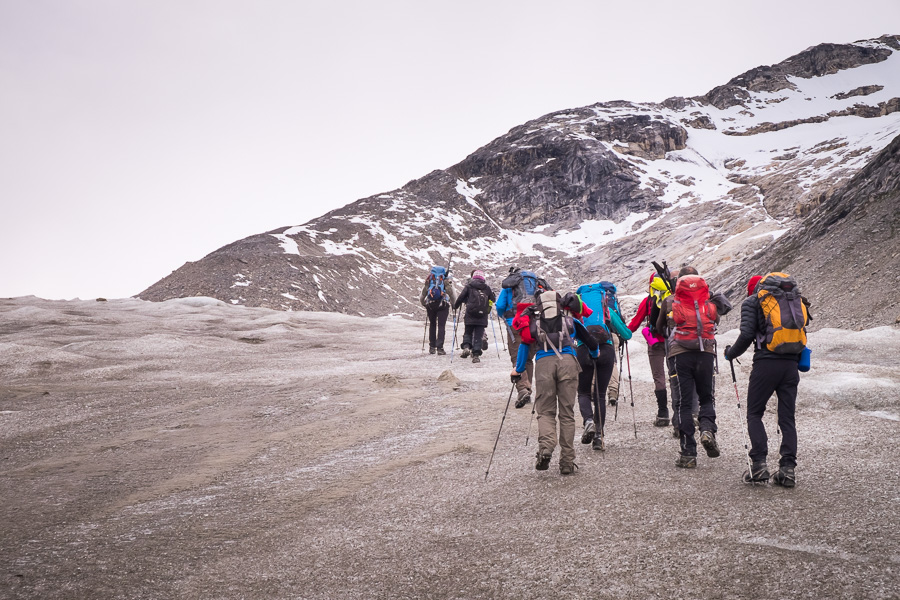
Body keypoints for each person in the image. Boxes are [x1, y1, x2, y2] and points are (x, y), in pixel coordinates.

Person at [724, 273, 809, 487]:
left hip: (766, 364)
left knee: (754, 413)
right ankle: (787, 470)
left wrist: (730, 354)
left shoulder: (753, 302)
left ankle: (759, 465)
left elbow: (746, 336)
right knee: (787, 417)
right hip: (791, 366)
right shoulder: (793, 300)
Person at [511, 290, 600, 475]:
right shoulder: (570, 320)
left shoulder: (533, 322)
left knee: (545, 411)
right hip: (568, 362)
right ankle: (567, 462)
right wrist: (594, 354)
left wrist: (518, 370)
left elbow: (524, 347)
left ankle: (545, 448)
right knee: (567, 413)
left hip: (543, 364)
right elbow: (591, 342)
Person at [657, 267, 721, 468]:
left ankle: (688, 453)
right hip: (706, 352)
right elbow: (715, 320)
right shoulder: (707, 299)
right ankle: (707, 429)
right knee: (706, 397)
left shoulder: (669, 301)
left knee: (684, 403)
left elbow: (658, 327)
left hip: (680, 354)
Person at [570, 289, 617, 452]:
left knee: (583, 392)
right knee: (601, 394)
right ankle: (599, 436)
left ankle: (588, 421)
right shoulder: (606, 310)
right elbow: (626, 333)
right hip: (607, 350)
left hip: (583, 350)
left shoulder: (577, 310)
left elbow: (571, 334)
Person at [627, 272, 675, 426]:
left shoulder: (647, 301)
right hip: (674, 342)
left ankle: (663, 413)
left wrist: (621, 333)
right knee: (675, 376)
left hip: (654, 342)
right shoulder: (673, 299)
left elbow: (634, 324)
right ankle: (680, 416)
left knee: (659, 377)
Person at [495, 267, 544, 408]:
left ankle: (523, 389)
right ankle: (527, 389)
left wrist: (504, 316)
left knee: (517, 356)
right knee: (528, 358)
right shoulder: (535, 283)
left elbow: (499, 305)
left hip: (515, 324)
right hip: (534, 324)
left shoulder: (511, 283)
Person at [453, 269, 496, 364]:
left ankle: (467, 347)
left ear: (473, 277)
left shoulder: (469, 286)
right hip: (482, 316)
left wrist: (455, 306)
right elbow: (493, 299)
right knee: (478, 336)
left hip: (470, 314)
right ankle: (476, 355)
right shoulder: (487, 288)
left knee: (468, 332)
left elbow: (461, 297)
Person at [419, 266, 457, 355]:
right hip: (443, 304)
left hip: (430, 304)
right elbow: (452, 293)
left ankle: (432, 347)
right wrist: (454, 304)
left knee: (432, 324)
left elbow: (423, 293)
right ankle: (440, 348)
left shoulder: (430, 279)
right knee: (441, 325)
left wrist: (423, 303)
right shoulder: (446, 280)